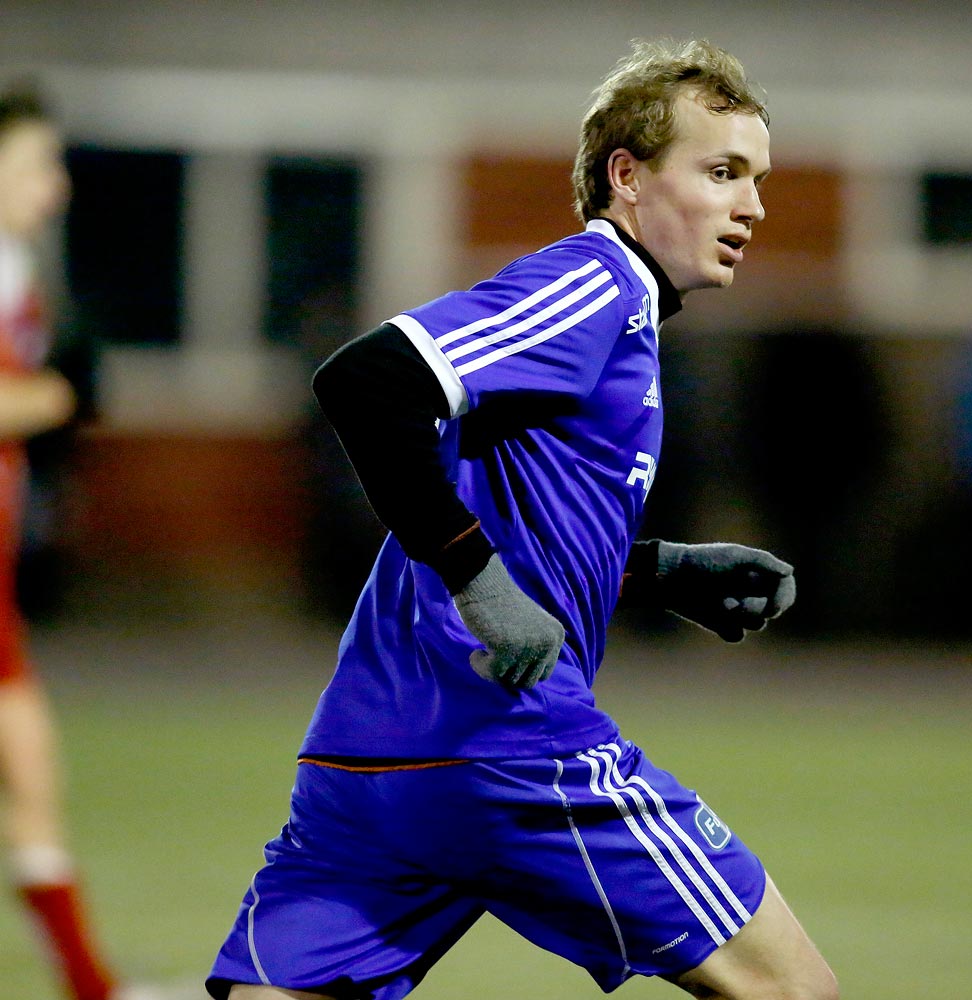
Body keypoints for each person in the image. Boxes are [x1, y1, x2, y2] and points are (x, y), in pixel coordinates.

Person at [207, 38, 837, 1000]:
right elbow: (367, 382)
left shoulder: (612, 322)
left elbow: (510, 515)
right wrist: (478, 582)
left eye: (756, 178)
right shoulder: (593, 284)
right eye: (720, 172)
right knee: (795, 991)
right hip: (507, 748)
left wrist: (658, 568)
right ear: (626, 177)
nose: (750, 205)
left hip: (366, 760)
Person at [2, 80, 174, 1000]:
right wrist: (61, 398)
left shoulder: (19, 273)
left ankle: (89, 985)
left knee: (32, 777)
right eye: (34, 165)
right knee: (30, 770)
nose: (54, 187)